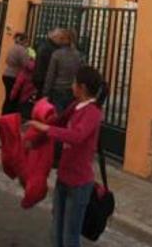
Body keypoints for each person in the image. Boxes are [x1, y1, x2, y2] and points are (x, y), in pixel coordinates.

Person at [28, 66, 105, 247]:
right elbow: (58, 122)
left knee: (70, 233)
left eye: (74, 82)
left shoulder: (93, 113)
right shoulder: (75, 106)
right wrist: (33, 141)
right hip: (64, 176)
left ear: (82, 87)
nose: (71, 86)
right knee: (56, 227)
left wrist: (46, 129)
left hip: (79, 182)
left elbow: (77, 136)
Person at [43, 29, 83, 113]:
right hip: (72, 90)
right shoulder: (77, 55)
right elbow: (80, 72)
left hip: (58, 90)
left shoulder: (57, 54)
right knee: (69, 115)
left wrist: (46, 92)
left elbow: (50, 75)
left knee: (58, 116)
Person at [2, 33, 29, 115]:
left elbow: (6, 60)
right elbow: (26, 63)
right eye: (26, 40)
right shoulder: (22, 50)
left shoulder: (12, 48)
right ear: (23, 40)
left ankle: (4, 114)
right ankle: (10, 116)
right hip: (14, 76)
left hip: (6, 74)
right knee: (14, 98)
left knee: (8, 97)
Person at [33, 28, 63, 99]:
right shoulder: (51, 49)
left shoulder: (44, 45)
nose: (61, 40)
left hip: (39, 78)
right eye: (60, 38)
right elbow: (50, 67)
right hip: (44, 79)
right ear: (55, 37)